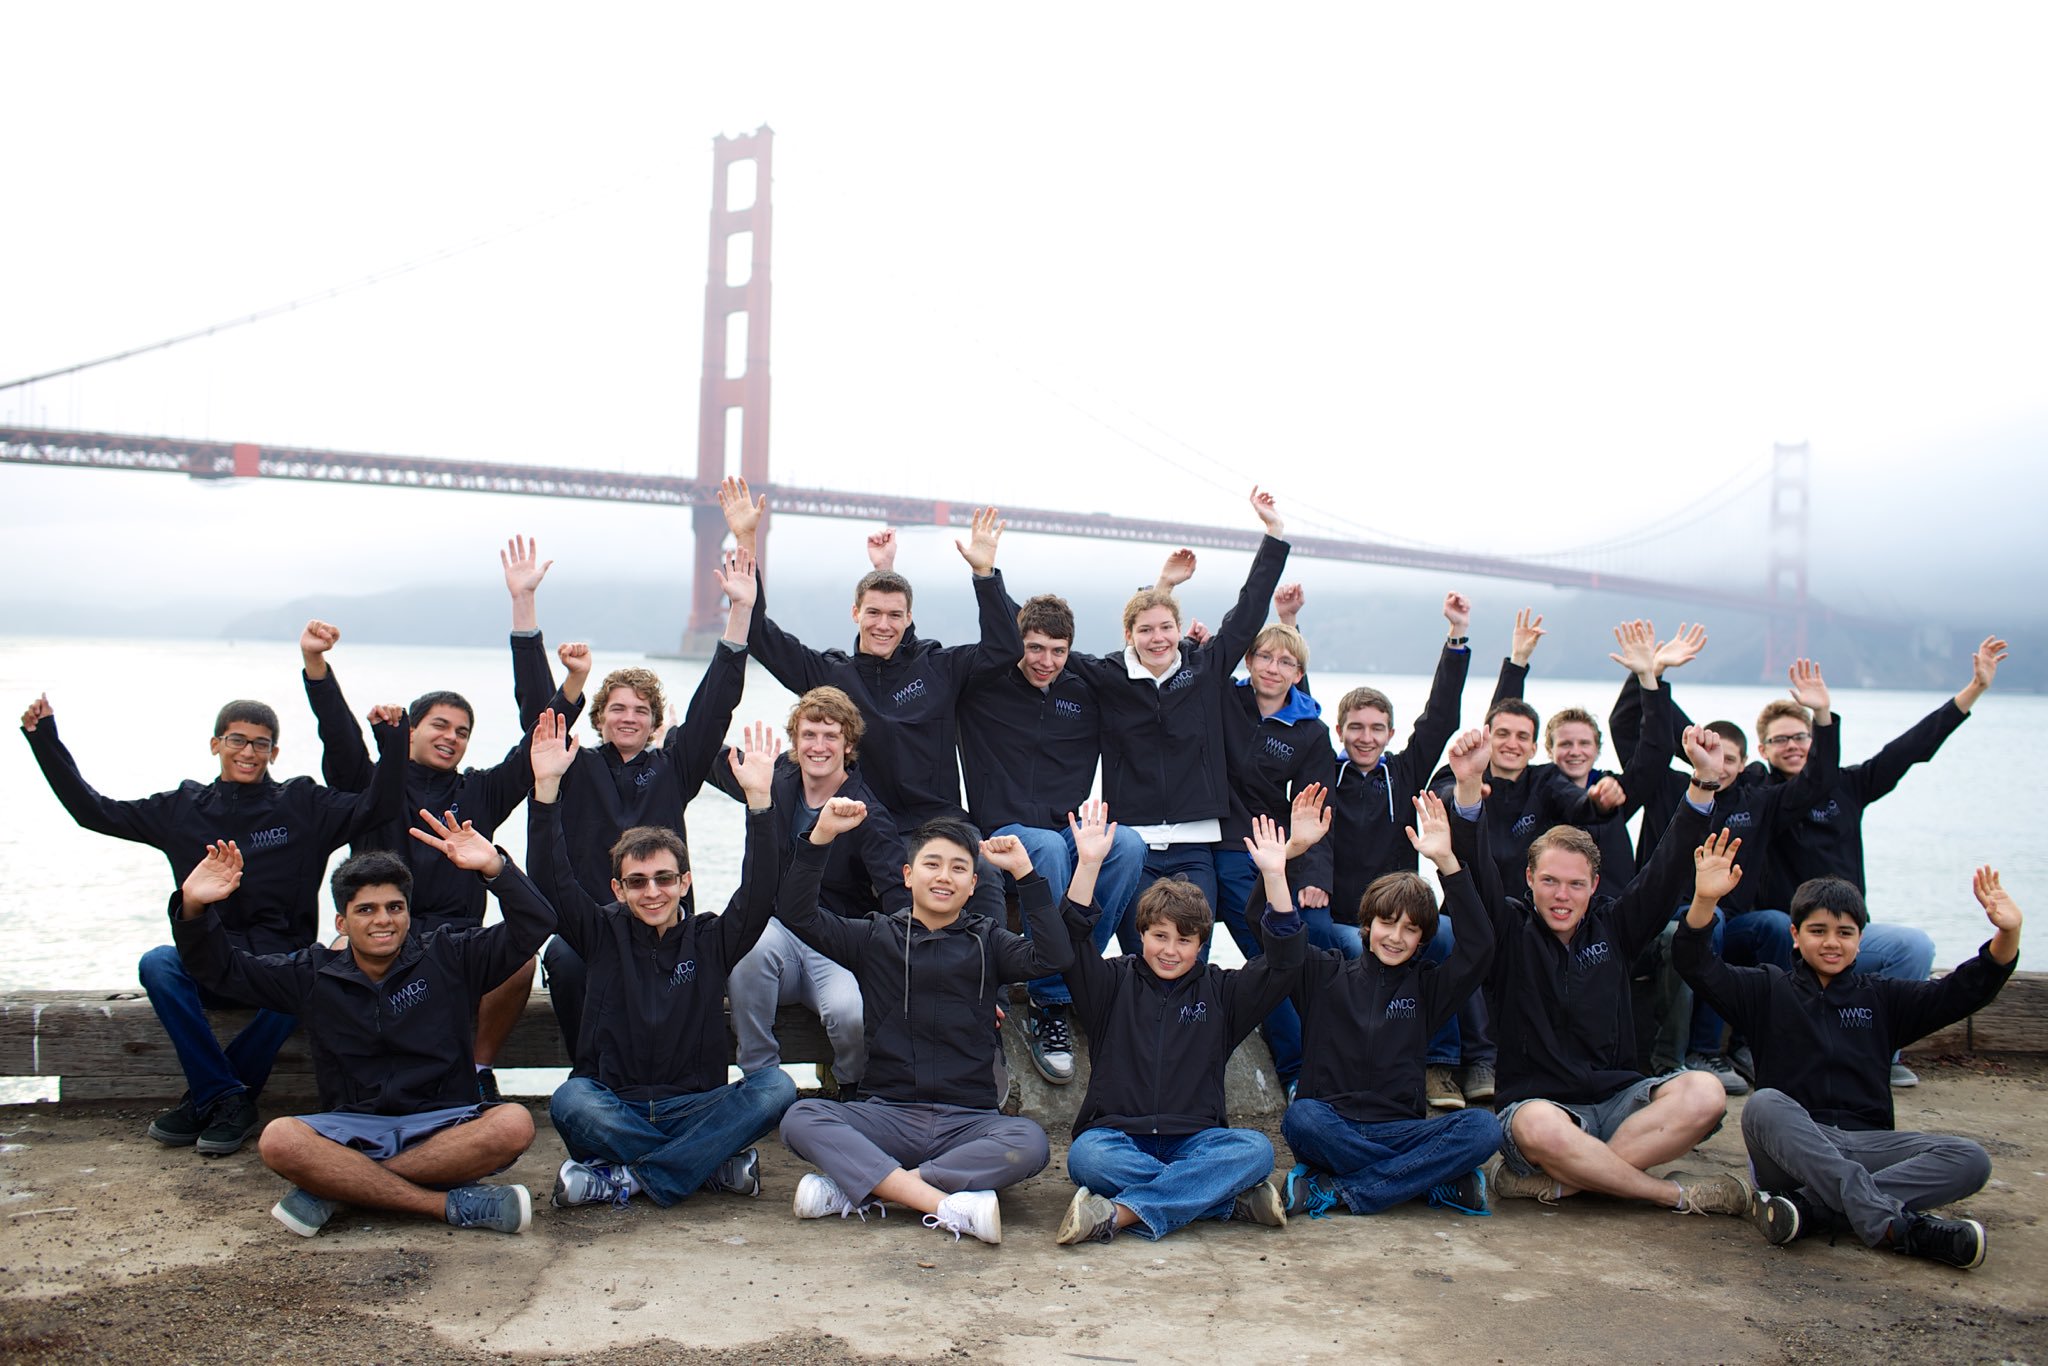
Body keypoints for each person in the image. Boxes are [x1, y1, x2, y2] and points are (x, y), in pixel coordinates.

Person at [20, 691, 405, 1155]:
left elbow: (377, 807)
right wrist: (44, 740)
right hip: (211, 962)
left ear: (274, 753)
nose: (248, 752)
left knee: (311, 974)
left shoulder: (303, 804)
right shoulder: (182, 807)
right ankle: (228, 1096)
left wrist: (393, 739)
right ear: (215, 744)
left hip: (276, 970)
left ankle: (212, 1096)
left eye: (260, 744)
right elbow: (93, 811)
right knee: (158, 963)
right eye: (237, 740)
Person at [172, 814, 553, 1238]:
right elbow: (221, 971)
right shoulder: (314, 972)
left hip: (445, 1125)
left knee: (514, 1123)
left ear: (409, 913)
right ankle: (446, 1205)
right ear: (342, 922)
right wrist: (194, 905)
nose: (383, 920)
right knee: (278, 1138)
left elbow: (536, 924)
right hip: (350, 1130)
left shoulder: (450, 955)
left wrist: (495, 869)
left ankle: (337, 1190)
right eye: (366, 910)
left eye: (395, 907)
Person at [1475, 633, 1749, 1218]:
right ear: (1528, 880)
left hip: (1619, 1098)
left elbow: (1668, 863)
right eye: (1550, 882)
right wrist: (1470, 790)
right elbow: (1472, 870)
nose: (1562, 896)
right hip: (1542, 1106)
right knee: (1541, 1127)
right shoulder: (1509, 929)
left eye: (1576, 884)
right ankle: (1667, 1194)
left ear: (1595, 886)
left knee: (1704, 1092)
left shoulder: (1617, 927)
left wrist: (1701, 784)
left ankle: (1574, 1181)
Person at [297, 537, 565, 1102]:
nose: (451, 737)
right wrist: (318, 667)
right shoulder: (376, 786)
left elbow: (541, 734)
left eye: (462, 731)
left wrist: (561, 670)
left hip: (457, 937)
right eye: (439, 725)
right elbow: (340, 742)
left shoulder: (482, 791)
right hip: (387, 928)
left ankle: (477, 1069)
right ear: (413, 729)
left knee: (521, 960)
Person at [1674, 846, 2020, 1269]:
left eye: (1845, 932)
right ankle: (1896, 1225)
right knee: (1763, 1104)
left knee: (1970, 1160)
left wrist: (2006, 937)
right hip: (1791, 1151)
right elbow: (1695, 964)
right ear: (1795, 936)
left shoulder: (1883, 997)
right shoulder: (1767, 989)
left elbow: (1960, 992)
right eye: (1818, 931)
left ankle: (1813, 1211)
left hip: (1867, 1144)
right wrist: (1706, 900)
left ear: (1861, 939)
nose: (1832, 943)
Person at [529, 712, 798, 1210]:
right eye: (637, 881)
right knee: (572, 1101)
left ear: (685, 883)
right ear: (617, 888)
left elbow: (761, 889)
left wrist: (760, 803)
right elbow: (551, 879)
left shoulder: (712, 938)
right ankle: (707, 1166)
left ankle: (628, 1179)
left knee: (775, 1088)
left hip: (696, 1107)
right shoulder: (599, 933)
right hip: (615, 1104)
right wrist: (546, 788)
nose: (652, 892)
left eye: (664, 879)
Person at [775, 805, 1075, 1245]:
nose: (943, 877)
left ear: (973, 885)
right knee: (801, 1117)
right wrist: (820, 836)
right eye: (931, 864)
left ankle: (868, 1187)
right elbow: (797, 913)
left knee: (1029, 1142)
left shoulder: (989, 940)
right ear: (908, 875)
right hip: (888, 1116)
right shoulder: (875, 936)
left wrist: (1026, 874)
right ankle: (944, 1203)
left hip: (969, 1123)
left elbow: (1053, 957)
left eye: (958, 868)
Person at [718, 480, 1021, 908]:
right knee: (875, 896)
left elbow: (1004, 649)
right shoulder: (831, 674)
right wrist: (746, 538)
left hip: (939, 820)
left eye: (895, 615)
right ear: (855, 612)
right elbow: (762, 636)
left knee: (984, 876)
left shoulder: (937, 667)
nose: (883, 624)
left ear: (909, 618)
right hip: (867, 822)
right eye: (873, 613)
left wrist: (985, 575)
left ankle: (992, 974)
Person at [1752, 636, 2010, 1087]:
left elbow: (1911, 746)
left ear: (1815, 739)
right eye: (1779, 741)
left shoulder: (1850, 785)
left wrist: (1974, 690)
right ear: (1763, 751)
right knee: (1775, 926)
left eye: (1800, 736)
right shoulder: (1763, 798)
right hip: (1789, 941)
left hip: (1846, 936)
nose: (1791, 746)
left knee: (1913, 946)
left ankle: (1878, 1054)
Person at [533, 546, 759, 1054]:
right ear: (599, 719)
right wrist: (528, 615)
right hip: (594, 923)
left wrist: (739, 614)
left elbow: (714, 705)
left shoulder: (675, 767)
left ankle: (684, 1081)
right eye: (616, 708)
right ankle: (589, 1071)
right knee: (566, 964)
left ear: (656, 722)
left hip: (667, 918)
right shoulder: (575, 765)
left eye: (640, 710)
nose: (628, 717)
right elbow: (538, 712)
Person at [1054, 801, 1310, 1244]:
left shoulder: (1223, 992)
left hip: (1198, 1141)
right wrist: (1090, 864)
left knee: (1257, 1150)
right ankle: (1224, 1200)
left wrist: (1274, 875)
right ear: (1142, 933)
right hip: (1117, 1139)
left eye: (1184, 940)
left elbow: (1286, 964)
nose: (1170, 950)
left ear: (1201, 943)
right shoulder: (1110, 983)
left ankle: (1119, 1214)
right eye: (1160, 936)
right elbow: (1070, 943)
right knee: (1086, 1159)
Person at [1611, 639, 1841, 1093]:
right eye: (1715, 756)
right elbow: (1628, 729)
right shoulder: (1668, 786)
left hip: (1730, 923)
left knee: (1777, 925)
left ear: (1743, 763)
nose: (1722, 766)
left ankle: (1758, 1044)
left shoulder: (1760, 801)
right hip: (1666, 920)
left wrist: (1823, 717)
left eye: (1731, 759)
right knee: (1702, 923)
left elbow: (1818, 780)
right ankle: (1695, 1053)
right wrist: (1648, 676)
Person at [1280, 768, 1501, 1219]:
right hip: (1332, 1127)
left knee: (1483, 1129)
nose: (1396, 937)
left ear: (1423, 939)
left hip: (1401, 1131)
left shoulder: (1428, 987)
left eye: (1411, 928)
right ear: (1367, 924)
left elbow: (1481, 947)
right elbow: (1272, 932)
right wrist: (1291, 854)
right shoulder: (1323, 973)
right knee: (1300, 1118)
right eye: (1387, 923)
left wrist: (1448, 864)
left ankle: (1338, 1191)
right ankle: (1426, 1181)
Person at [954, 590, 1148, 1088]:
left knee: (1126, 845)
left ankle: (1068, 976)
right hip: (1003, 832)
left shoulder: (1085, 689)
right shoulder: (984, 686)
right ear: (1018, 644)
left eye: (1058, 651)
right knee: (1046, 849)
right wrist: (987, 575)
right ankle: (1050, 1000)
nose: (1046, 661)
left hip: (1064, 825)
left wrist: (1184, 637)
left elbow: (1151, 662)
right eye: (1035, 648)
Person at [707, 686, 910, 1094]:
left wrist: (921, 960)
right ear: (795, 741)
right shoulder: (775, 780)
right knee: (747, 951)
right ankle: (760, 1077)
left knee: (849, 1013)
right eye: (809, 734)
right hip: (775, 934)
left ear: (848, 744)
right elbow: (712, 759)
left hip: (833, 939)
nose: (818, 746)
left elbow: (897, 894)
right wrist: (669, 736)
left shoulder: (866, 813)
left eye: (830, 735)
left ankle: (853, 1086)